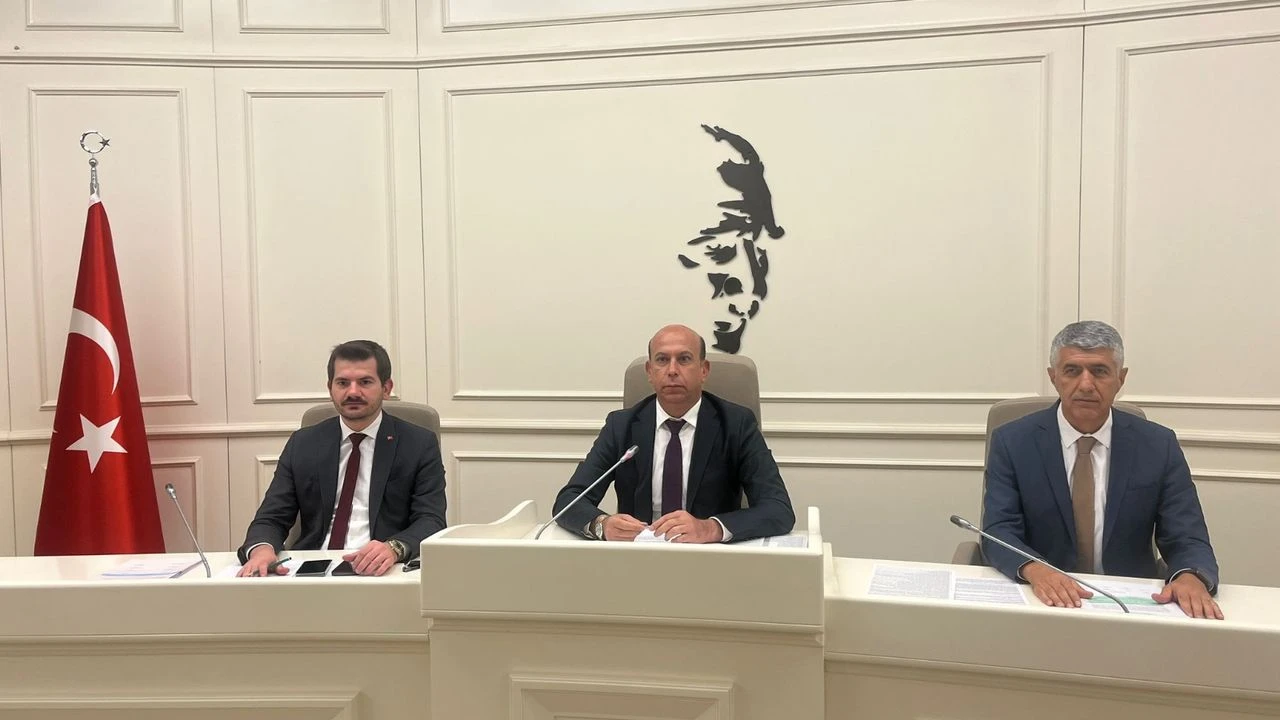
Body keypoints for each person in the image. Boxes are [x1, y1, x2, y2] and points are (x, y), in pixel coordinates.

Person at [982, 321, 1222, 619]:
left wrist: (1190, 576)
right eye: (1072, 371)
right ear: (1053, 377)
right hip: (1041, 600)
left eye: (1099, 371)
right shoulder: (1012, 442)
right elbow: (999, 530)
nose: (1085, 384)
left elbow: (1187, 536)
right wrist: (1035, 569)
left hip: (1129, 606)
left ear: (1120, 378)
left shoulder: (1158, 445)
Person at [552, 324, 794, 543]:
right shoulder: (621, 426)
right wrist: (601, 525)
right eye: (662, 360)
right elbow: (569, 500)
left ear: (704, 370)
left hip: (710, 558)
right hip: (637, 558)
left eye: (684, 359)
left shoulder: (736, 424)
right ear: (650, 371)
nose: (672, 370)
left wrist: (710, 528)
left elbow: (778, 509)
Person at [237, 340, 446, 577]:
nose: (353, 392)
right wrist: (262, 550)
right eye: (343, 383)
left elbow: (431, 520)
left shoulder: (418, 444)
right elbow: (271, 517)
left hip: (386, 570)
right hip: (314, 569)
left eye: (365, 382)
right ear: (330, 388)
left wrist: (394, 548)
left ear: (386, 388)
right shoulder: (303, 443)